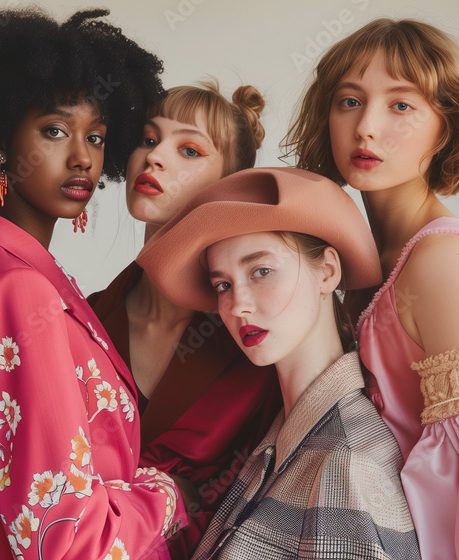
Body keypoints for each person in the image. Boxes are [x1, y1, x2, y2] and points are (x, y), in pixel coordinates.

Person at [282, 18, 459, 558]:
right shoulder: (365, 252)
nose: (366, 127)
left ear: (446, 127)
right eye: (349, 101)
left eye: (401, 105)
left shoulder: (444, 259)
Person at [0, 7, 187, 558]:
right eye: (55, 130)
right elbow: (68, 541)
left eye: (96, 137)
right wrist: (167, 495)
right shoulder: (17, 289)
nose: (82, 158)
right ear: (0, 141)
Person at [138, 167, 420, 558]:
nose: (237, 305)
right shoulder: (279, 437)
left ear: (327, 272)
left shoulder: (346, 465)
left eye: (262, 271)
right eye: (223, 284)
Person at [86, 82, 281, 558]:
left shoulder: (255, 339)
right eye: (148, 139)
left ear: (228, 185)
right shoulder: (84, 318)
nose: (154, 158)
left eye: (189, 150)